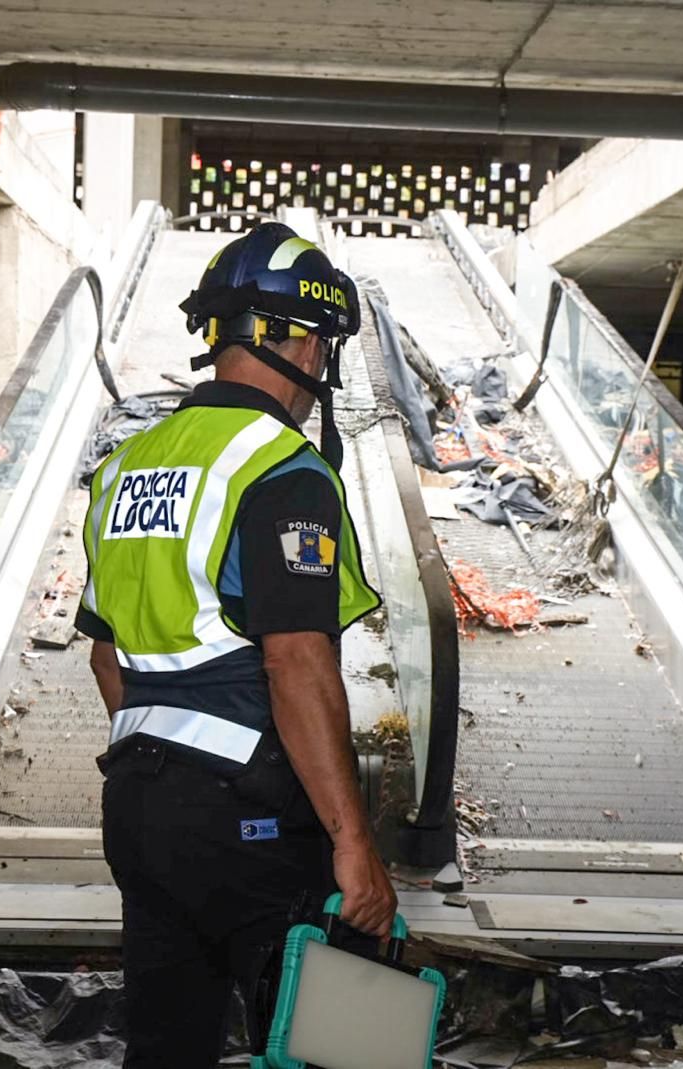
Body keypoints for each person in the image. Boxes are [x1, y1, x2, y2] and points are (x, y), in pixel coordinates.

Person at [76, 222, 398, 1067]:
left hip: (139, 810)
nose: (322, 367)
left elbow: (107, 655)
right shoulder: (280, 469)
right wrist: (352, 840)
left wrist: (172, 757)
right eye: (322, 344)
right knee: (342, 1040)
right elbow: (295, 663)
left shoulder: (127, 468)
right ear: (290, 337)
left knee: (168, 1047)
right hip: (251, 819)